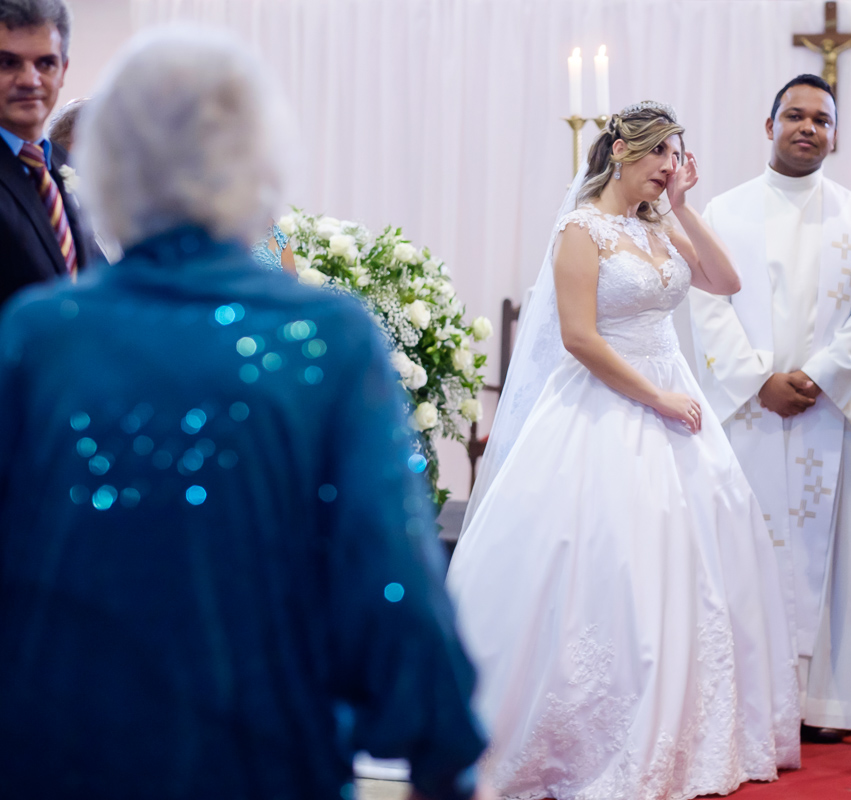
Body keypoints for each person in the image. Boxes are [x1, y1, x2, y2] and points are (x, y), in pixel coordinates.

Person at [0, 27, 488, 800]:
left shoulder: (39, 333)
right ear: (261, 160)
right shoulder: (325, 337)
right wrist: (440, 751)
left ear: (107, 165)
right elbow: (387, 572)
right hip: (259, 749)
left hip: (61, 744)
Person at [447, 102, 802, 799]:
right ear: (620, 152)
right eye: (661, 154)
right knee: (609, 556)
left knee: (691, 557)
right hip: (606, 404)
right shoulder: (581, 230)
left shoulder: (658, 223)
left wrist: (684, 207)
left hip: (674, 399)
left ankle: (684, 724)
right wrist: (656, 398)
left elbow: (725, 282)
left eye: (677, 155)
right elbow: (580, 338)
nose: (671, 167)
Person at [687, 74, 851, 744]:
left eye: (821, 119)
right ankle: (748, 701)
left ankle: (825, 704)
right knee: (748, 554)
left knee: (830, 559)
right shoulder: (724, 211)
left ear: (835, 134)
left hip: (825, 411)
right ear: (768, 127)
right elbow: (706, 305)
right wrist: (756, 381)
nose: (808, 128)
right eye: (794, 116)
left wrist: (821, 377)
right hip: (750, 415)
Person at [0, 0, 100, 310]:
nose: (30, 80)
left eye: (45, 63)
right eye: (8, 63)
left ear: (63, 70)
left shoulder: (64, 164)